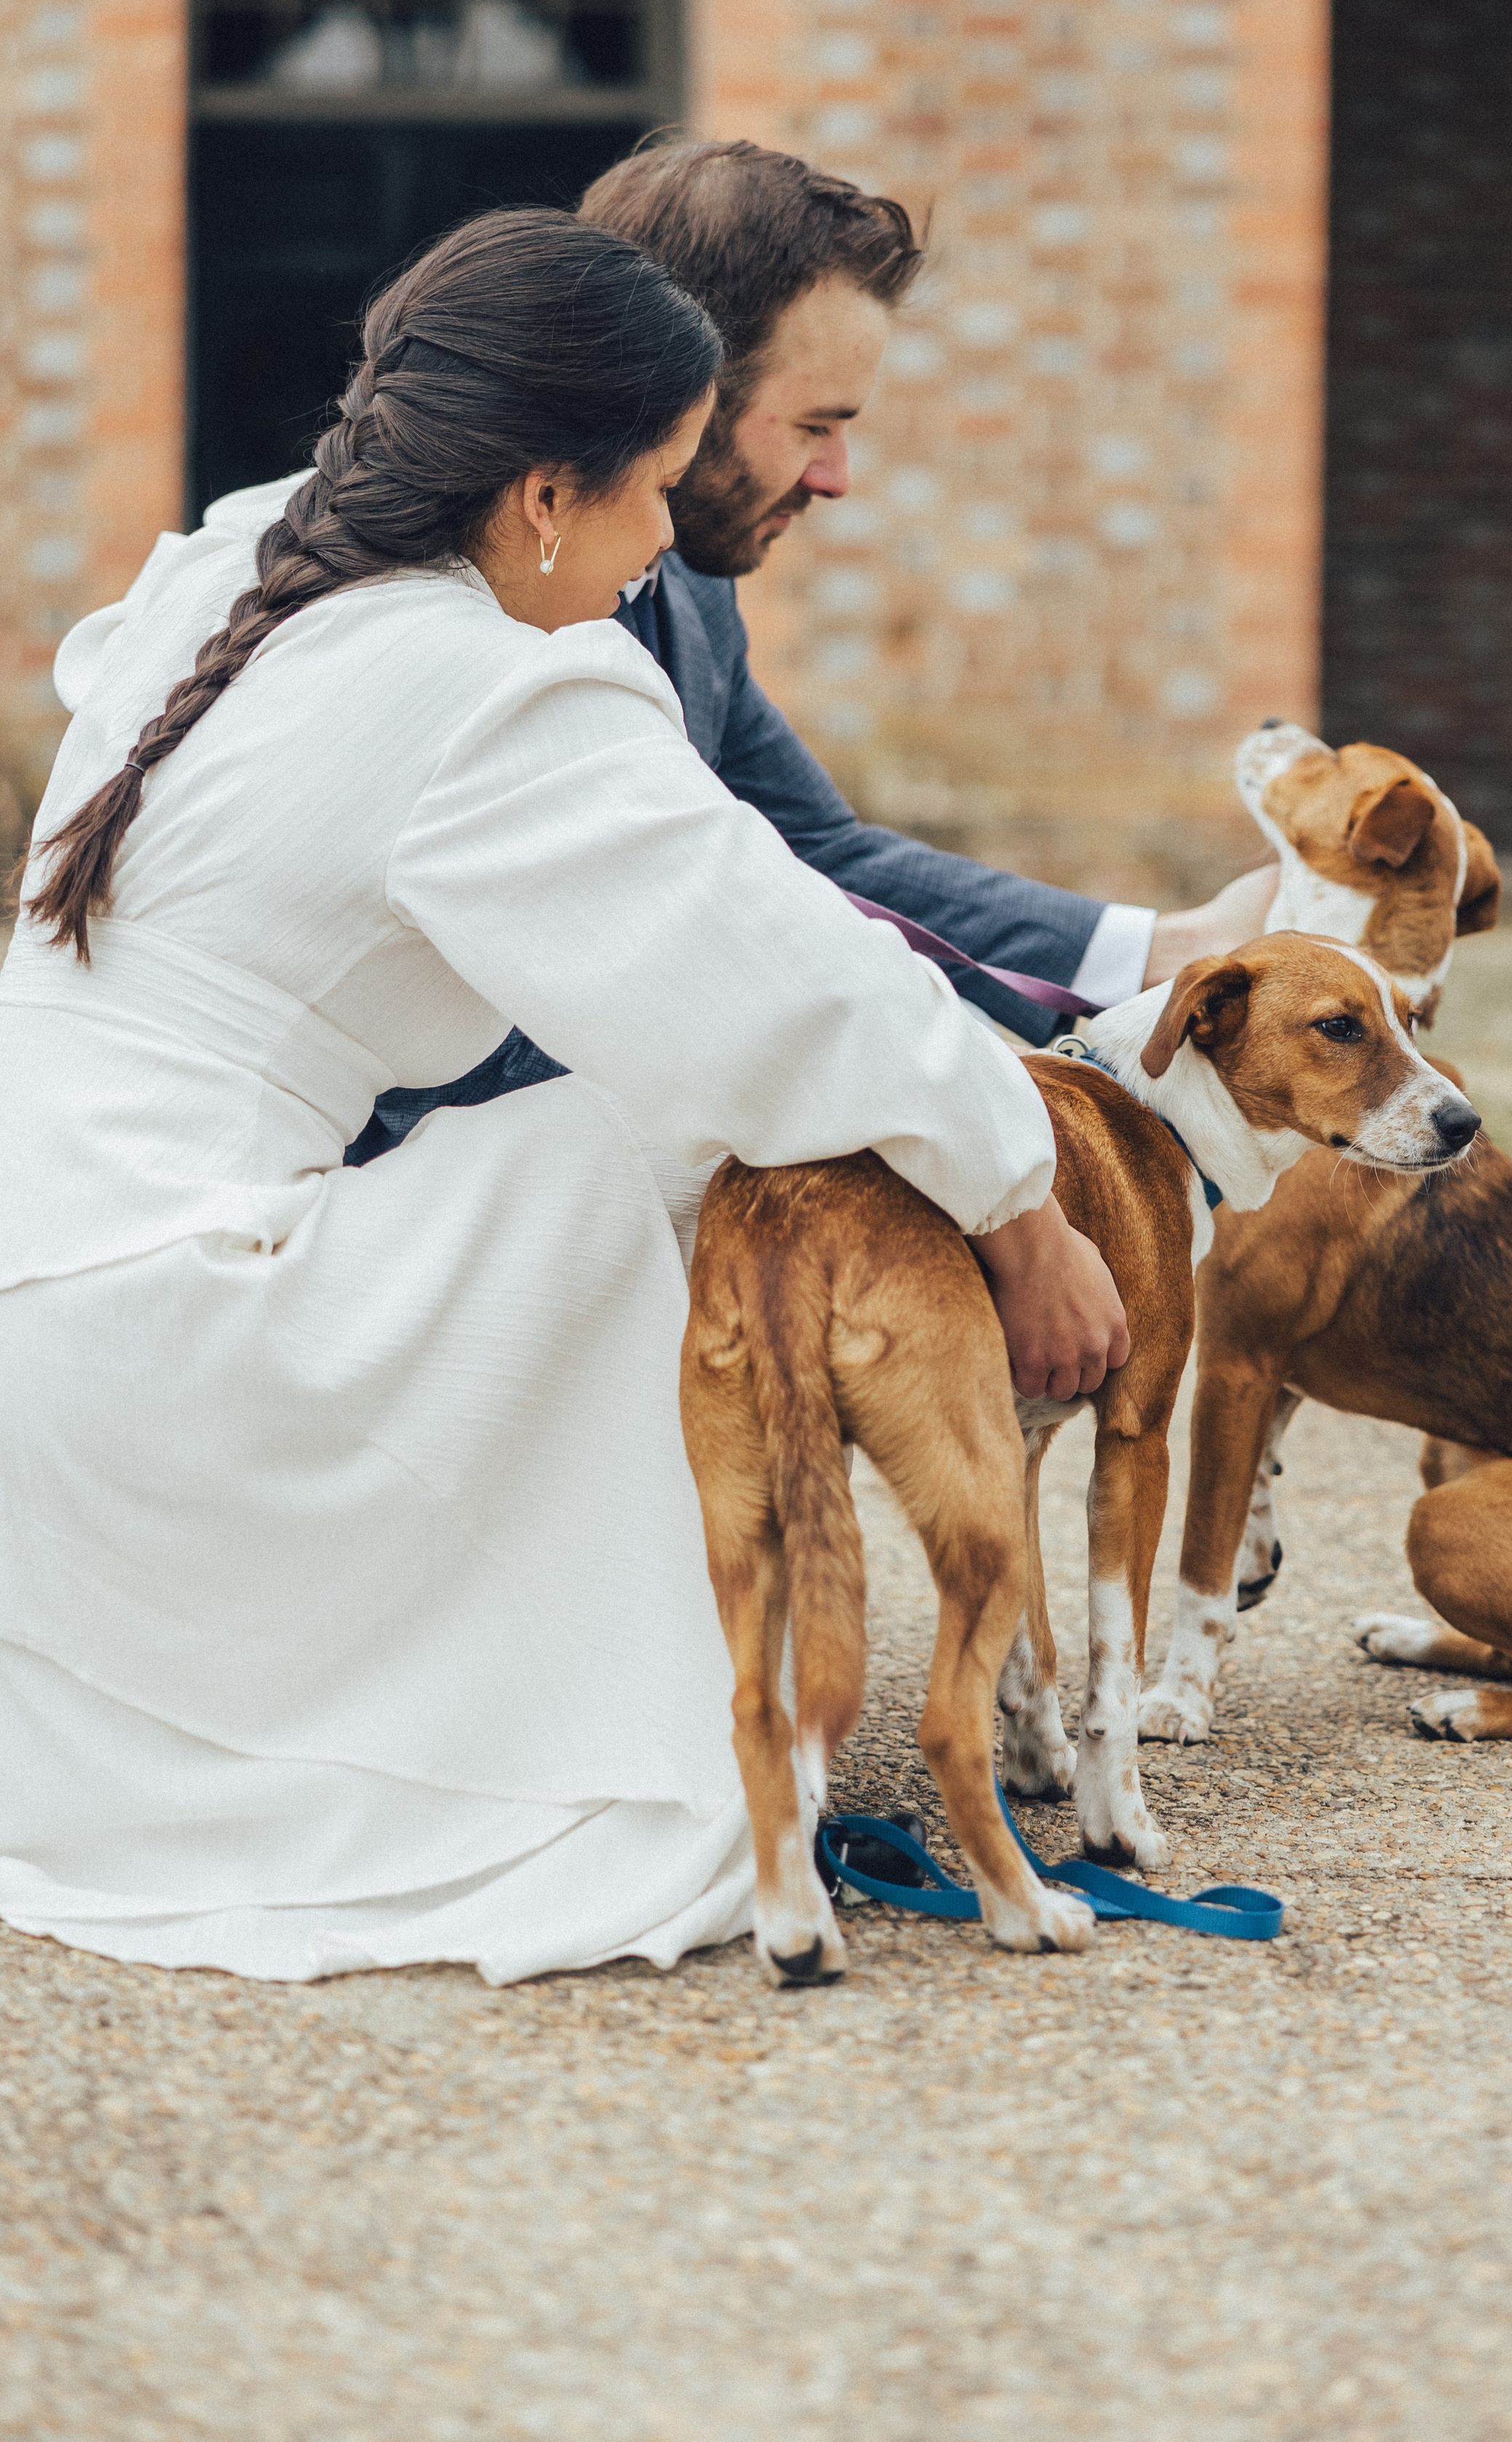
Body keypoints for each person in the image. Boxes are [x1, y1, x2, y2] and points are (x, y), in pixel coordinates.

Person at [0, 210, 1124, 1987]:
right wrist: (1023, 1210)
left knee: (646, 1113)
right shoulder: (492, 690)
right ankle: (644, 1689)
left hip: (51, 1316)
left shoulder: (242, 570)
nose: (666, 542)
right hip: (172, 1345)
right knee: (657, 1144)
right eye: (658, 489)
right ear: (541, 497)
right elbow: (801, 988)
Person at [328, 139, 1279, 1163]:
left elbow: (817, 853)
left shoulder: (691, 586)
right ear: (674, 386)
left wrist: (1164, 953)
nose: (837, 478)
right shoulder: (458, 619)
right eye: (815, 426)